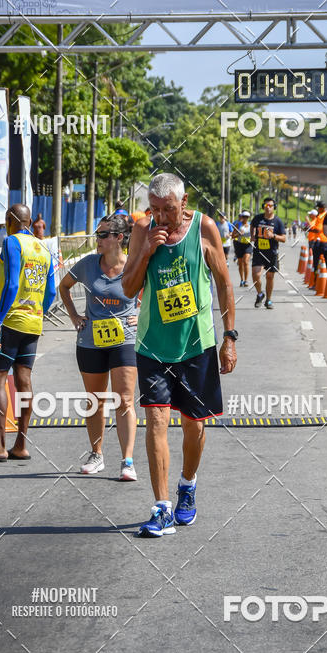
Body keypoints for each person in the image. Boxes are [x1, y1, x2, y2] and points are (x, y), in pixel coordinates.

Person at [122, 173, 236, 538]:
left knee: (194, 426)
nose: (161, 217)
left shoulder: (204, 228)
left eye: (168, 209)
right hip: (153, 346)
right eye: (154, 209)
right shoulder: (143, 230)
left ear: (183, 202)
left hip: (196, 346)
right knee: (156, 420)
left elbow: (224, 283)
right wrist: (145, 252)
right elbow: (128, 288)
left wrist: (229, 337)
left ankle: (187, 483)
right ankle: (161, 508)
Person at [0, 204, 55, 462]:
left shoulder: (12, 242)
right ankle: (21, 445)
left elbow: (11, 284)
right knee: (24, 381)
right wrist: (38, 313)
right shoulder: (44, 248)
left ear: (10, 220)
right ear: (29, 221)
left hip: (10, 321)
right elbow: (51, 291)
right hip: (34, 322)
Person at [59, 214, 139, 481]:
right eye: (98, 234)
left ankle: (127, 461)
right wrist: (74, 316)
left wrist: (141, 314)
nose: (98, 239)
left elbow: (151, 291)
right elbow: (64, 287)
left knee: (124, 399)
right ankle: (97, 454)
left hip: (125, 339)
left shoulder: (134, 265)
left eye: (103, 235)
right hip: (91, 341)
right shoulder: (88, 264)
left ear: (119, 238)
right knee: (95, 400)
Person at [250, 198, 286, 310]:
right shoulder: (257, 218)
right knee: (256, 274)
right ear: (263, 206)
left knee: (270, 277)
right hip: (259, 251)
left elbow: (284, 238)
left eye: (270, 205)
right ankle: (260, 293)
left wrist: (273, 236)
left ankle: (268, 300)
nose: (268, 207)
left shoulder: (278, 221)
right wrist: (252, 235)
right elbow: (252, 225)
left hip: (272, 253)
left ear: (274, 207)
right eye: (266, 205)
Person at [232, 211, 252, 286]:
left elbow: (254, 235)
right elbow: (233, 236)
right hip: (239, 245)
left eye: (247, 217)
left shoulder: (251, 225)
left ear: (248, 218)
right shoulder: (238, 225)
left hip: (247, 245)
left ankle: (246, 280)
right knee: (240, 264)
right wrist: (238, 234)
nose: (245, 218)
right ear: (241, 217)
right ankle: (242, 280)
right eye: (244, 217)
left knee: (246, 262)